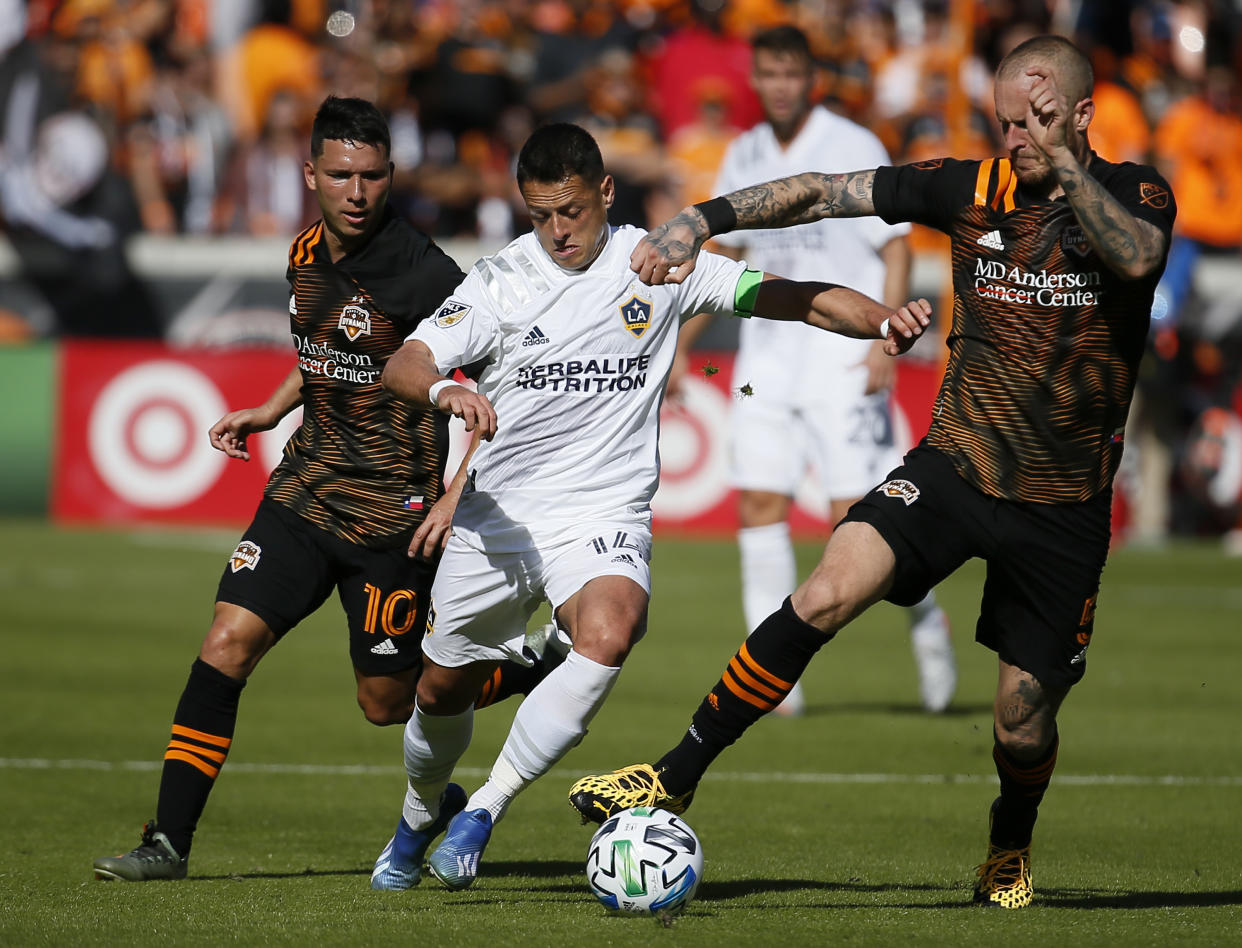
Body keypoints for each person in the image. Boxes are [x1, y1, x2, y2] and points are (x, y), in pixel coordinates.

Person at [569, 35, 1176, 910]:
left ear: (1082, 115)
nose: (1017, 140)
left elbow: (1139, 258)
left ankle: (1009, 847)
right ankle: (673, 774)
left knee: (1021, 718)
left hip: (1062, 505)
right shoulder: (969, 189)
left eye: (1037, 121)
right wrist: (702, 219)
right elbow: (824, 194)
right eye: (1005, 122)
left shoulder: (1133, 192)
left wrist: (1067, 167)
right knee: (824, 591)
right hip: (956, 467)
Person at [372, 121, 930, 892]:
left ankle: (484, 813)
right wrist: (448, 390)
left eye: (570, 210)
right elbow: (406, 361)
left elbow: (788, 297)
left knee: (612, 629)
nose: (558, 231)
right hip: (498, 519)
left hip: (603, 512)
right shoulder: (501, 282)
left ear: (606, 192)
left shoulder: (661, 263)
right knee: (438, 691)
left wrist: (882, 320)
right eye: (539, 215)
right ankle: (418, 814)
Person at [92, 96, 554, 883]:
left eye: (373, 175)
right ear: (310, 173)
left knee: (387, 704)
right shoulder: (305, 251)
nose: (357, 190)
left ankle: (533, 662)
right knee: (225, 644)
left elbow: (490, 392)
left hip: (391, 520)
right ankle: (167, 843)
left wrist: (452, 496)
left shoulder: (430, 276)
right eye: (340, 173)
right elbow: (322, 353)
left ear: (390, 176)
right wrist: (270, 410)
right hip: (302, 495)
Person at [674, 24, 955, 715]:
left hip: (842, 354)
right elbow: (729, 259)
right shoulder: (744, 151)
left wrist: (882, 335)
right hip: (766, 358)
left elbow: (892, 243)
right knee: (759, 507)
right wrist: (683, 341)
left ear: (811, 80)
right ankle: (777, 682)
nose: (777, 87)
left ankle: (927, 628)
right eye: (766, 74)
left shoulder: (854, 145)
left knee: (858, 531)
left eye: (789, 75)